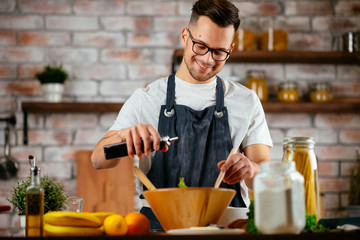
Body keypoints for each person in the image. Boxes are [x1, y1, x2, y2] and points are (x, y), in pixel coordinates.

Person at [91, 0, 272, 230]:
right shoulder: (147, 98)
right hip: (159, 227)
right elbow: (98, 159)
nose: (208, 59)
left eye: (219, 52)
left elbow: (266, 177)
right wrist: (124, 137)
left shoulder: (247, 101)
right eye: (201, 46)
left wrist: (252, 169)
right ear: (185, 36)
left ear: (231, 49)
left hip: (227, 228)